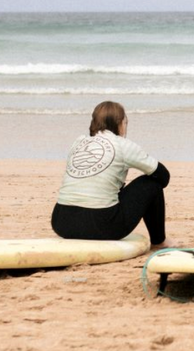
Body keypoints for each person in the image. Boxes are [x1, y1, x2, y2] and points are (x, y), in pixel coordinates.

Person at [52, 100, 170, 247]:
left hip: (62, 223)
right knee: (151, 184)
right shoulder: (123, 145)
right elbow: (163, 176)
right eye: (126, 123)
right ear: (120, 123)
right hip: (102, 226)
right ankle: (159, 241)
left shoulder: (79, 142)